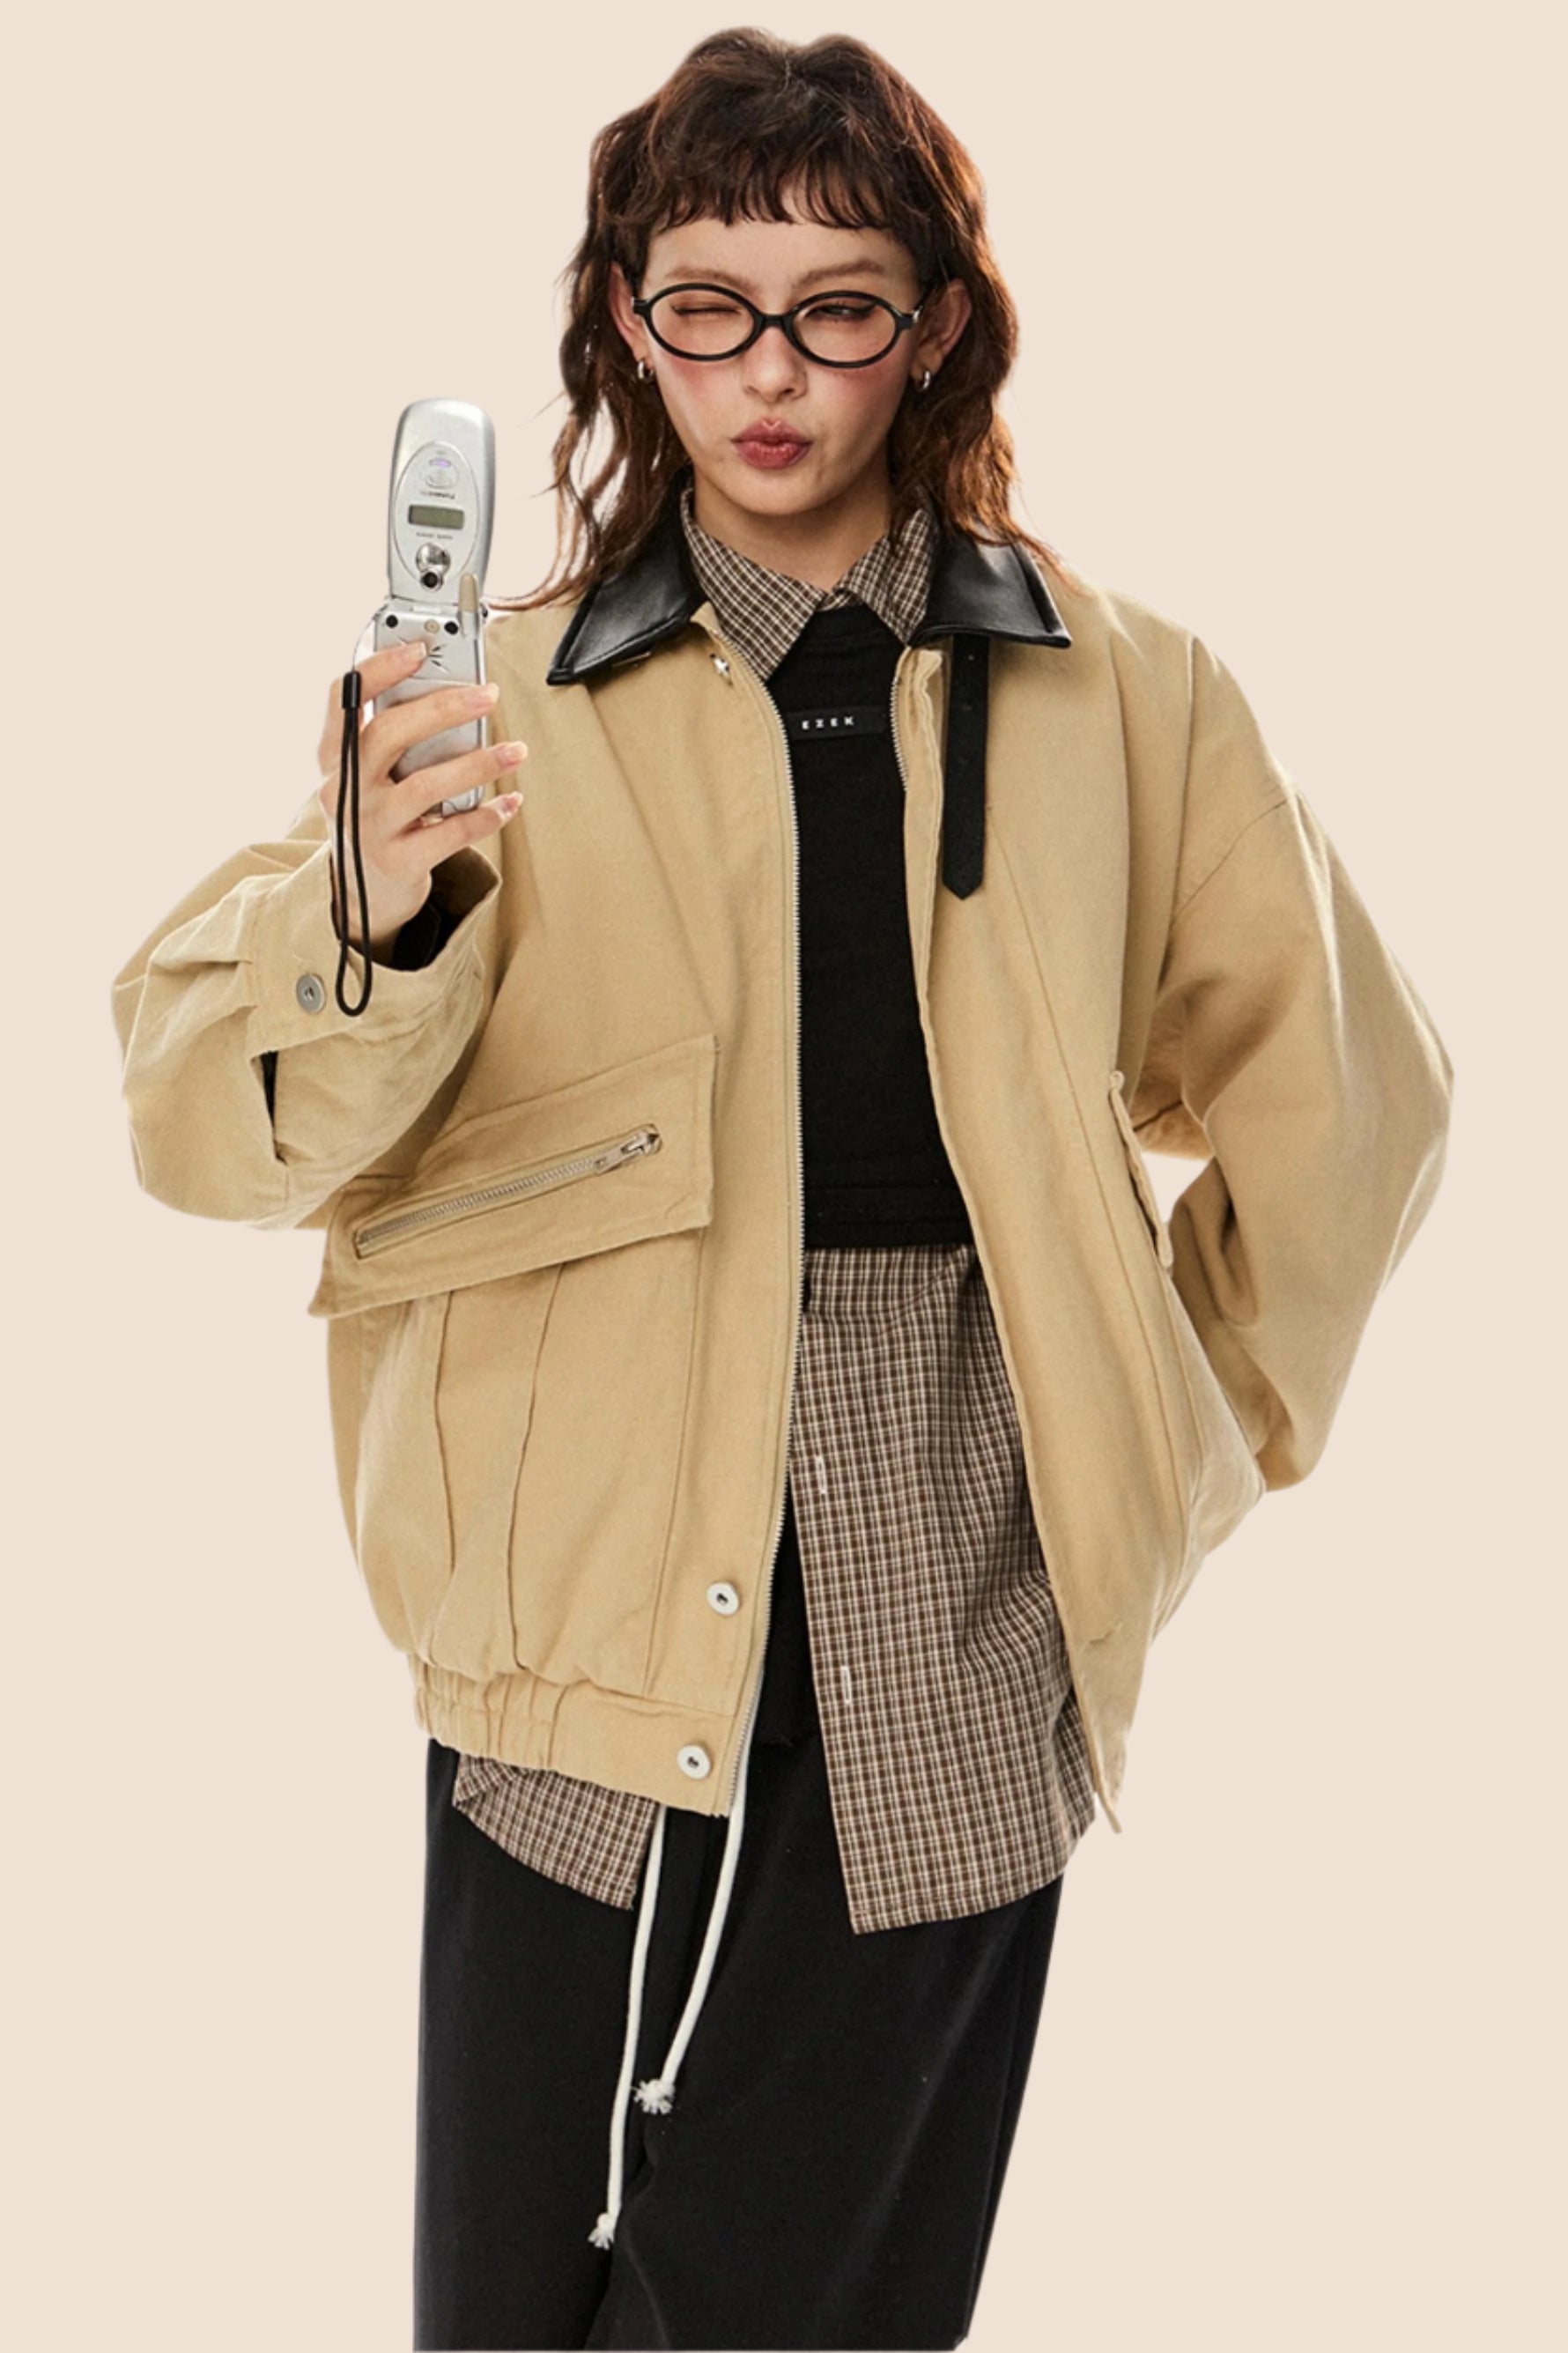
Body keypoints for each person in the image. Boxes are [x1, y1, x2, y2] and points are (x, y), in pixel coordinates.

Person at [108, 29, 1454, 2353]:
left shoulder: (1131, 698)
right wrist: (374, 914)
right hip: (577, 1588)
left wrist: (1160, 1444)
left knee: (810, 2300)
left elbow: (1355, 1111)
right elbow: (202, 1125)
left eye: (836, 306)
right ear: (627, 323)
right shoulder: (484, 705)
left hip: (957, 1562)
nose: (769, 370)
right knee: (510, 2302)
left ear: (933, 326)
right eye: (708, 303)